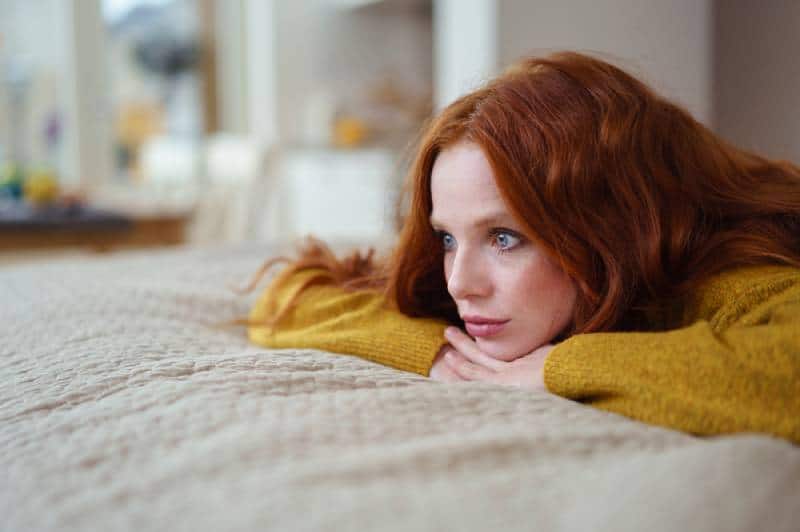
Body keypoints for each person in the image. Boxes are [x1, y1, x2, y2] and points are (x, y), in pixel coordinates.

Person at [246, 51, 800, 443]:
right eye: (447, 238)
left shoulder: (731, 274)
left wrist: (561, 366)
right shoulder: (488, 292)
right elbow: (290, 295)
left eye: (505, 237)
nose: (460, 282)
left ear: (606, 224)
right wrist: (440, 355)